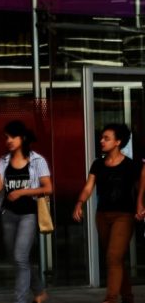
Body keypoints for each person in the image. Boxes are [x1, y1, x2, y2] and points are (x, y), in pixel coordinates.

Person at [0, 120, 51, 303]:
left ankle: (20, 300)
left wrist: (21, 192)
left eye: (13, 136)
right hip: (8, 215)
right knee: (17, 258)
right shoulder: (3, 161)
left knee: (20, 257)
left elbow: (48, 188)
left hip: (28, 214)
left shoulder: (37, 160)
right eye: (6, 137)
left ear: (23, 138)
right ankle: (39, 291)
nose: (9, 140)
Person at [74, 123, 138, 303]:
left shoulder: (130, 166)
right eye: (102, 138)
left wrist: (141, 206)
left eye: (106, 138)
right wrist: (79, 203)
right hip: (102, 216)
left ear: (118, 142)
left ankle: (110, 298)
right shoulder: (98, 164)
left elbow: (140, 189)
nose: (101, 141)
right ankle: (127, 296)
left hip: (124, 216)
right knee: (116, 258)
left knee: (113, 256)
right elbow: (88, 187)